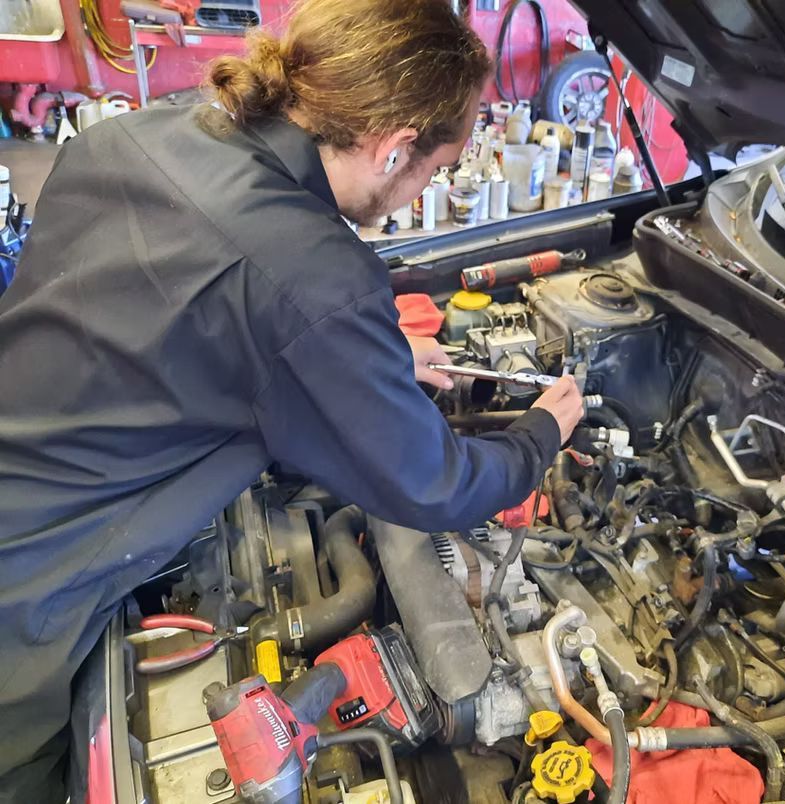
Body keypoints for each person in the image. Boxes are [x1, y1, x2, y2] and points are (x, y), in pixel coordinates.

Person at [0, 1, 583, 800]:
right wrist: (541, 433)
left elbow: (186, 312)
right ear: (394, 147)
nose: (428, 187)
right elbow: (435, 485)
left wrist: (367, 358)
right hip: (28, 578)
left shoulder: (143, 130)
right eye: (437, 169)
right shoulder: (314, 276)